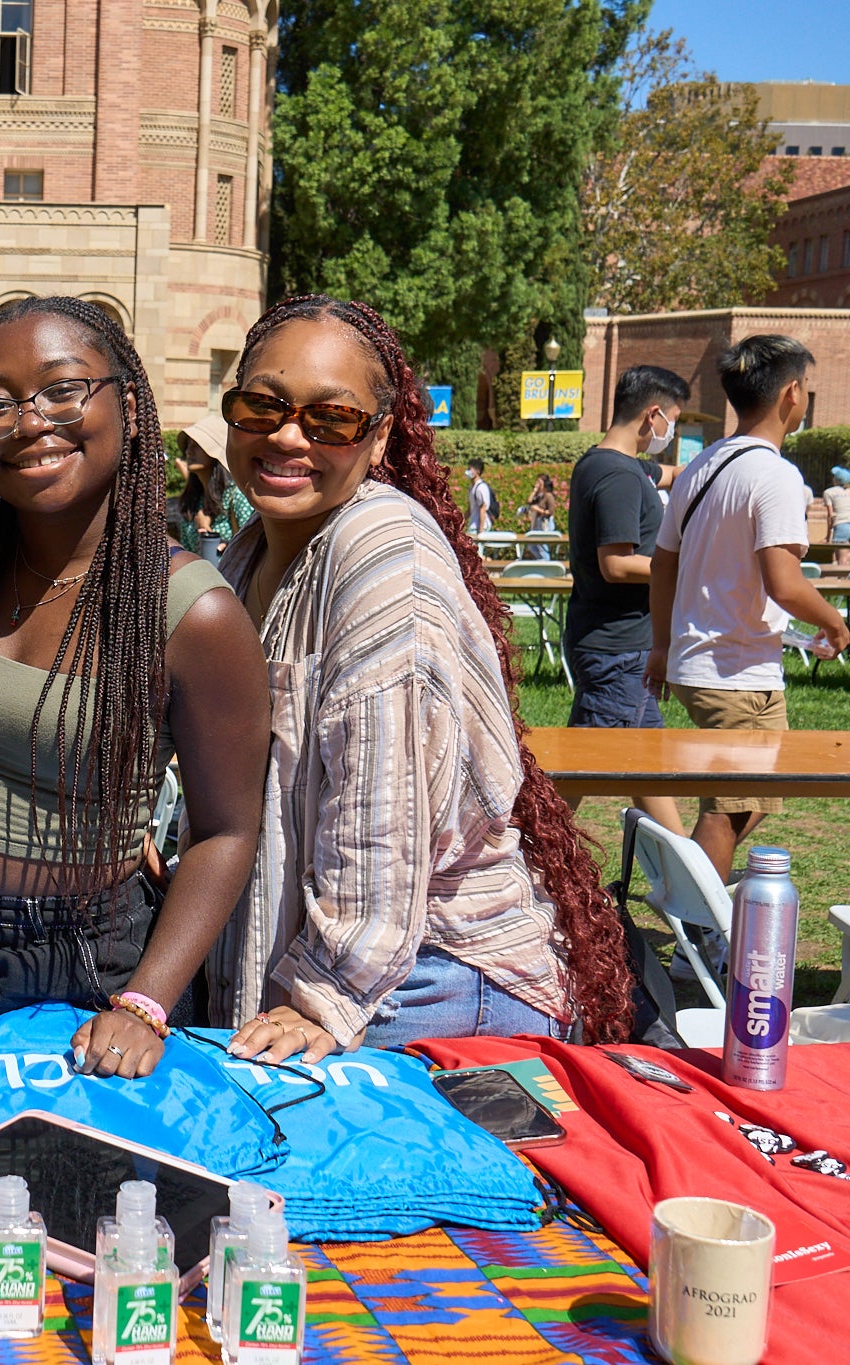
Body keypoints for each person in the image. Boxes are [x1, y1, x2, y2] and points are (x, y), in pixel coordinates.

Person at [209, 294, 636, 1062]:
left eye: (330, 418)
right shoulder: (251, 554)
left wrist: (327, 993)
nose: (286, 434)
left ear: (377, 440)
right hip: (350, 957)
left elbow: (383, 817)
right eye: (261, 404)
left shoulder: (380, 553)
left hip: (420, 978)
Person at [0, 298, 267, 1077]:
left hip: (91, 964)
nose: (31, 422)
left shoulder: (191, 610)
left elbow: (227, 833)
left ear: (128, 407)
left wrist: (146, 1001)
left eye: (63, 390)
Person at [649, 335, 850, 883]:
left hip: (708, 664)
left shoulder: (698, 467)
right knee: (729, 809)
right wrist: (836, 621)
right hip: (733, 672)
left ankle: (691, 889)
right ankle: (695, 931)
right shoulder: (777, 476)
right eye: (806, 386)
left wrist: (663, 646)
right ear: (792, 393)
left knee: (759, 789)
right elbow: (784, 584)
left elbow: (664, 565)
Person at [562, 366, 689, 834]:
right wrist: (679, 568)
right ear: (652, 415)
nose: (669, 434)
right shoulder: (619, 477)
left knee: (643, 763)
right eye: (670, 421)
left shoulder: (612, 464)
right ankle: (526, 858)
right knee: (581, 770)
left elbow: (672, 473)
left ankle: (691, 875)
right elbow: (616, 564)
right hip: (616, 650)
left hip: (618, 646)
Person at [174, 414, 254, 563]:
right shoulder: (192, 501)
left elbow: (253, 551)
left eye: (197, 445)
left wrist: (207, 531)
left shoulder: (236, 498)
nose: (189, 451)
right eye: (188, 445)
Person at [520, 473, 557, 559]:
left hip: (545, 524)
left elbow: (551, 511)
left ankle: (546, 563)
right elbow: (529, 501)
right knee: (532, 545)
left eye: (539, 482)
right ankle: (541, 560)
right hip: (538, 522)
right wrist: (535, 490)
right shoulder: (540, 496)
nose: (537, 483)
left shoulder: (549, 495)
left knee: (542, 546)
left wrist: (538, 510)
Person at [825, 466, 850, 570]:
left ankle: (842, 583)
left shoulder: (829, 492)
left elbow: (831, 516)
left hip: (841, 526)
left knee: (841, 559)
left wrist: (827, 536)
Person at [465, 457, 494, 535]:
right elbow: (470, 508)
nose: (467, 471)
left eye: (469, 469)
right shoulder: (472, 487)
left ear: (477, 471)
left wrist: (481, 532)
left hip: (479, 527)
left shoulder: (480, 487)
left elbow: (483, 508)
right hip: (473, 525)